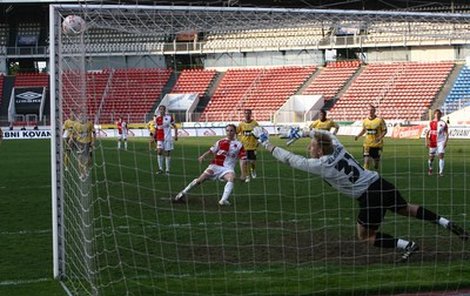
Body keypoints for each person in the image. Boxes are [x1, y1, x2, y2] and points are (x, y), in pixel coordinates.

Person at [252, 126, 469, 262]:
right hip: (380, 182)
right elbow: (327, 134)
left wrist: (266, 143)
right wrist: (305, 132)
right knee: (406, 208)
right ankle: (444, 222)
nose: (309, 149)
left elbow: (291, 160)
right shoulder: (337, 147)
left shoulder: (320, 164)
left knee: (365, 236)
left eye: (311, 146)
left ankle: (408, 245)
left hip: (369, 196)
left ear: (319, 151)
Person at [173, 124, 247, 206]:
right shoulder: (220, 141)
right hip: (215, 166)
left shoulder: (239, 145)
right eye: (227, 130)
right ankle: (182, 193)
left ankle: (223, 200)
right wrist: (203, 156)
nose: (229, 132)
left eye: (231, 130)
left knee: (231, 178)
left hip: (227, 168)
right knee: (199, 180)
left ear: (235, 132)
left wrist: (243, 174)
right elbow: (211, 151)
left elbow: (243, 160)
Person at [354, 105, 387, 170]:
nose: (370, 111)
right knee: (366, 161)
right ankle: (365, 173)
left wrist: (379, 138)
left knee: (376, 162)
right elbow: (364, 130)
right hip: (367, 144)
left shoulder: (380, 120)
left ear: (374, 111)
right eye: (369, 110)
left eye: (372, 110)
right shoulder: (365, 120)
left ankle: (376, 165)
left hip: (377, 144)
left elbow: (385, 131)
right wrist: (358, 136)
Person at [236, 109, 259, 182]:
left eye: (249, 113)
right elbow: (236, 132)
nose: (247, 115)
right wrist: (237, 141)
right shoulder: (241, 124)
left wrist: (258, 141)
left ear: (251, 114)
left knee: (252, 162)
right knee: (245, 162)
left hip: (253, 146)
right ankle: (247, 176)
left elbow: (259, 131)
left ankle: (253, 170)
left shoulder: (255, 123)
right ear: (244, 114)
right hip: (244, 146)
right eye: (245, 113)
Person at [154, 105, 178, 175]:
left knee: (167, 153)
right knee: (159, 152)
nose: (161, 111)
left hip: (168, 138)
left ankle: (167, 170)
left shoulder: (169, 117)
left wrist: (176, 135)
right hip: (159, 138)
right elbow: (156, 128)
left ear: (165, 110)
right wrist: (153, 137)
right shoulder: (157, 118)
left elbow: (175, 127)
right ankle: (160, 169)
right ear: (159, 110)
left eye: (163, 109)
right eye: (160, 109)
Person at [425, 109, 449, 177]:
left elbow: (447, 134)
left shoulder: (443, 123)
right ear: (434, 114)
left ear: (440, 115)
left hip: (441, 142)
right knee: (431, 158)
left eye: (439, 114)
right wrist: (426, 142)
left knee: (441, 156)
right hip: (432, 142)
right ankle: (430, 168)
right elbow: (427, 133)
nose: (437, 115)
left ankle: (441, 172)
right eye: (436, 114)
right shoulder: (431, 123)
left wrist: (445, 142)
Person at [72, 112, 95, 180]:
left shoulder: (89, 124)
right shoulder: (76, 124)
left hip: (88, 143)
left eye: (82, 116)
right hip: (80, 143)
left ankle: (86, 168)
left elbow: (94, 132)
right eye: (80, 116)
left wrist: (93, 141)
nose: (81, 117)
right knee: (80, 158)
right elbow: (73, 134)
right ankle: (82, 174)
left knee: (89, 159)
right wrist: (71, 139)